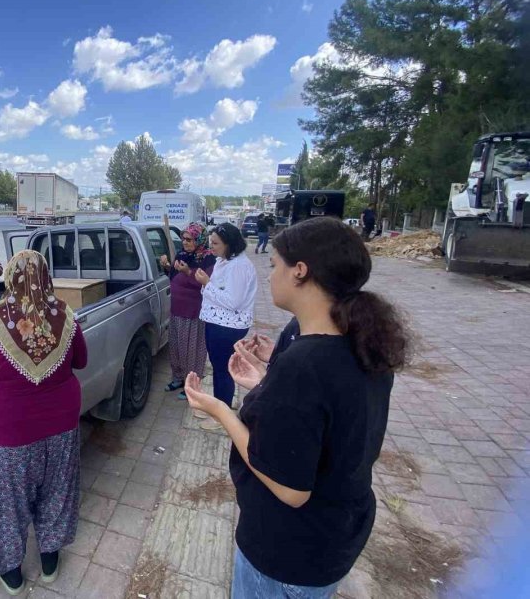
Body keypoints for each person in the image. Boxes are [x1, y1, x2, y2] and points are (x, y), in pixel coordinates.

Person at [184, 216, 409, 598]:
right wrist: (265, 383)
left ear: (300, 271)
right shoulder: (364, 340)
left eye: (274, 265)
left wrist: (220, 410)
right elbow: (319, 417)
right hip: (333, 537)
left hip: (289, 551)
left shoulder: (305, 365)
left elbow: (289, 488)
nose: (269, 276)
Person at [0, 250, 87, 596]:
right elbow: (82, 360)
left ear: (10, 278)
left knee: (6, 502)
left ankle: (12, 575)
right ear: (45, 276)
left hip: (9, 432)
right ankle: (49, 562)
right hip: (60, 422)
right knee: (57, 491)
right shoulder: (65, 315)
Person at [194, 222, 256, 429]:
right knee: (222, 367)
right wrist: (209, 285)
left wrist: (206, 284)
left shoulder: (238, 266)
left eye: (216, 243)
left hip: (227, 326)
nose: (212, 247)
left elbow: (233, 302)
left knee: (222, 369)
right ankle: (223, 404)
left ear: (230, 244)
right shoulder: (225, 260)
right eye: (211, 242)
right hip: (218, 321)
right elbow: (219, 290)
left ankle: (222, 415)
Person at [159, 222, 215, 403]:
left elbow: (204, 283)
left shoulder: (207, 258)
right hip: (177, 310)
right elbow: (174, 277)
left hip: (194, 312)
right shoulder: (182, 254)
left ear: (199, 239)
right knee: (176, 347)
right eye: (183, 238)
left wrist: (188, 271)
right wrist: (168, 266)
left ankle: (191, 385)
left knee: (192, 350)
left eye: (189, 239)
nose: (185, 242)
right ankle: (178, 378)